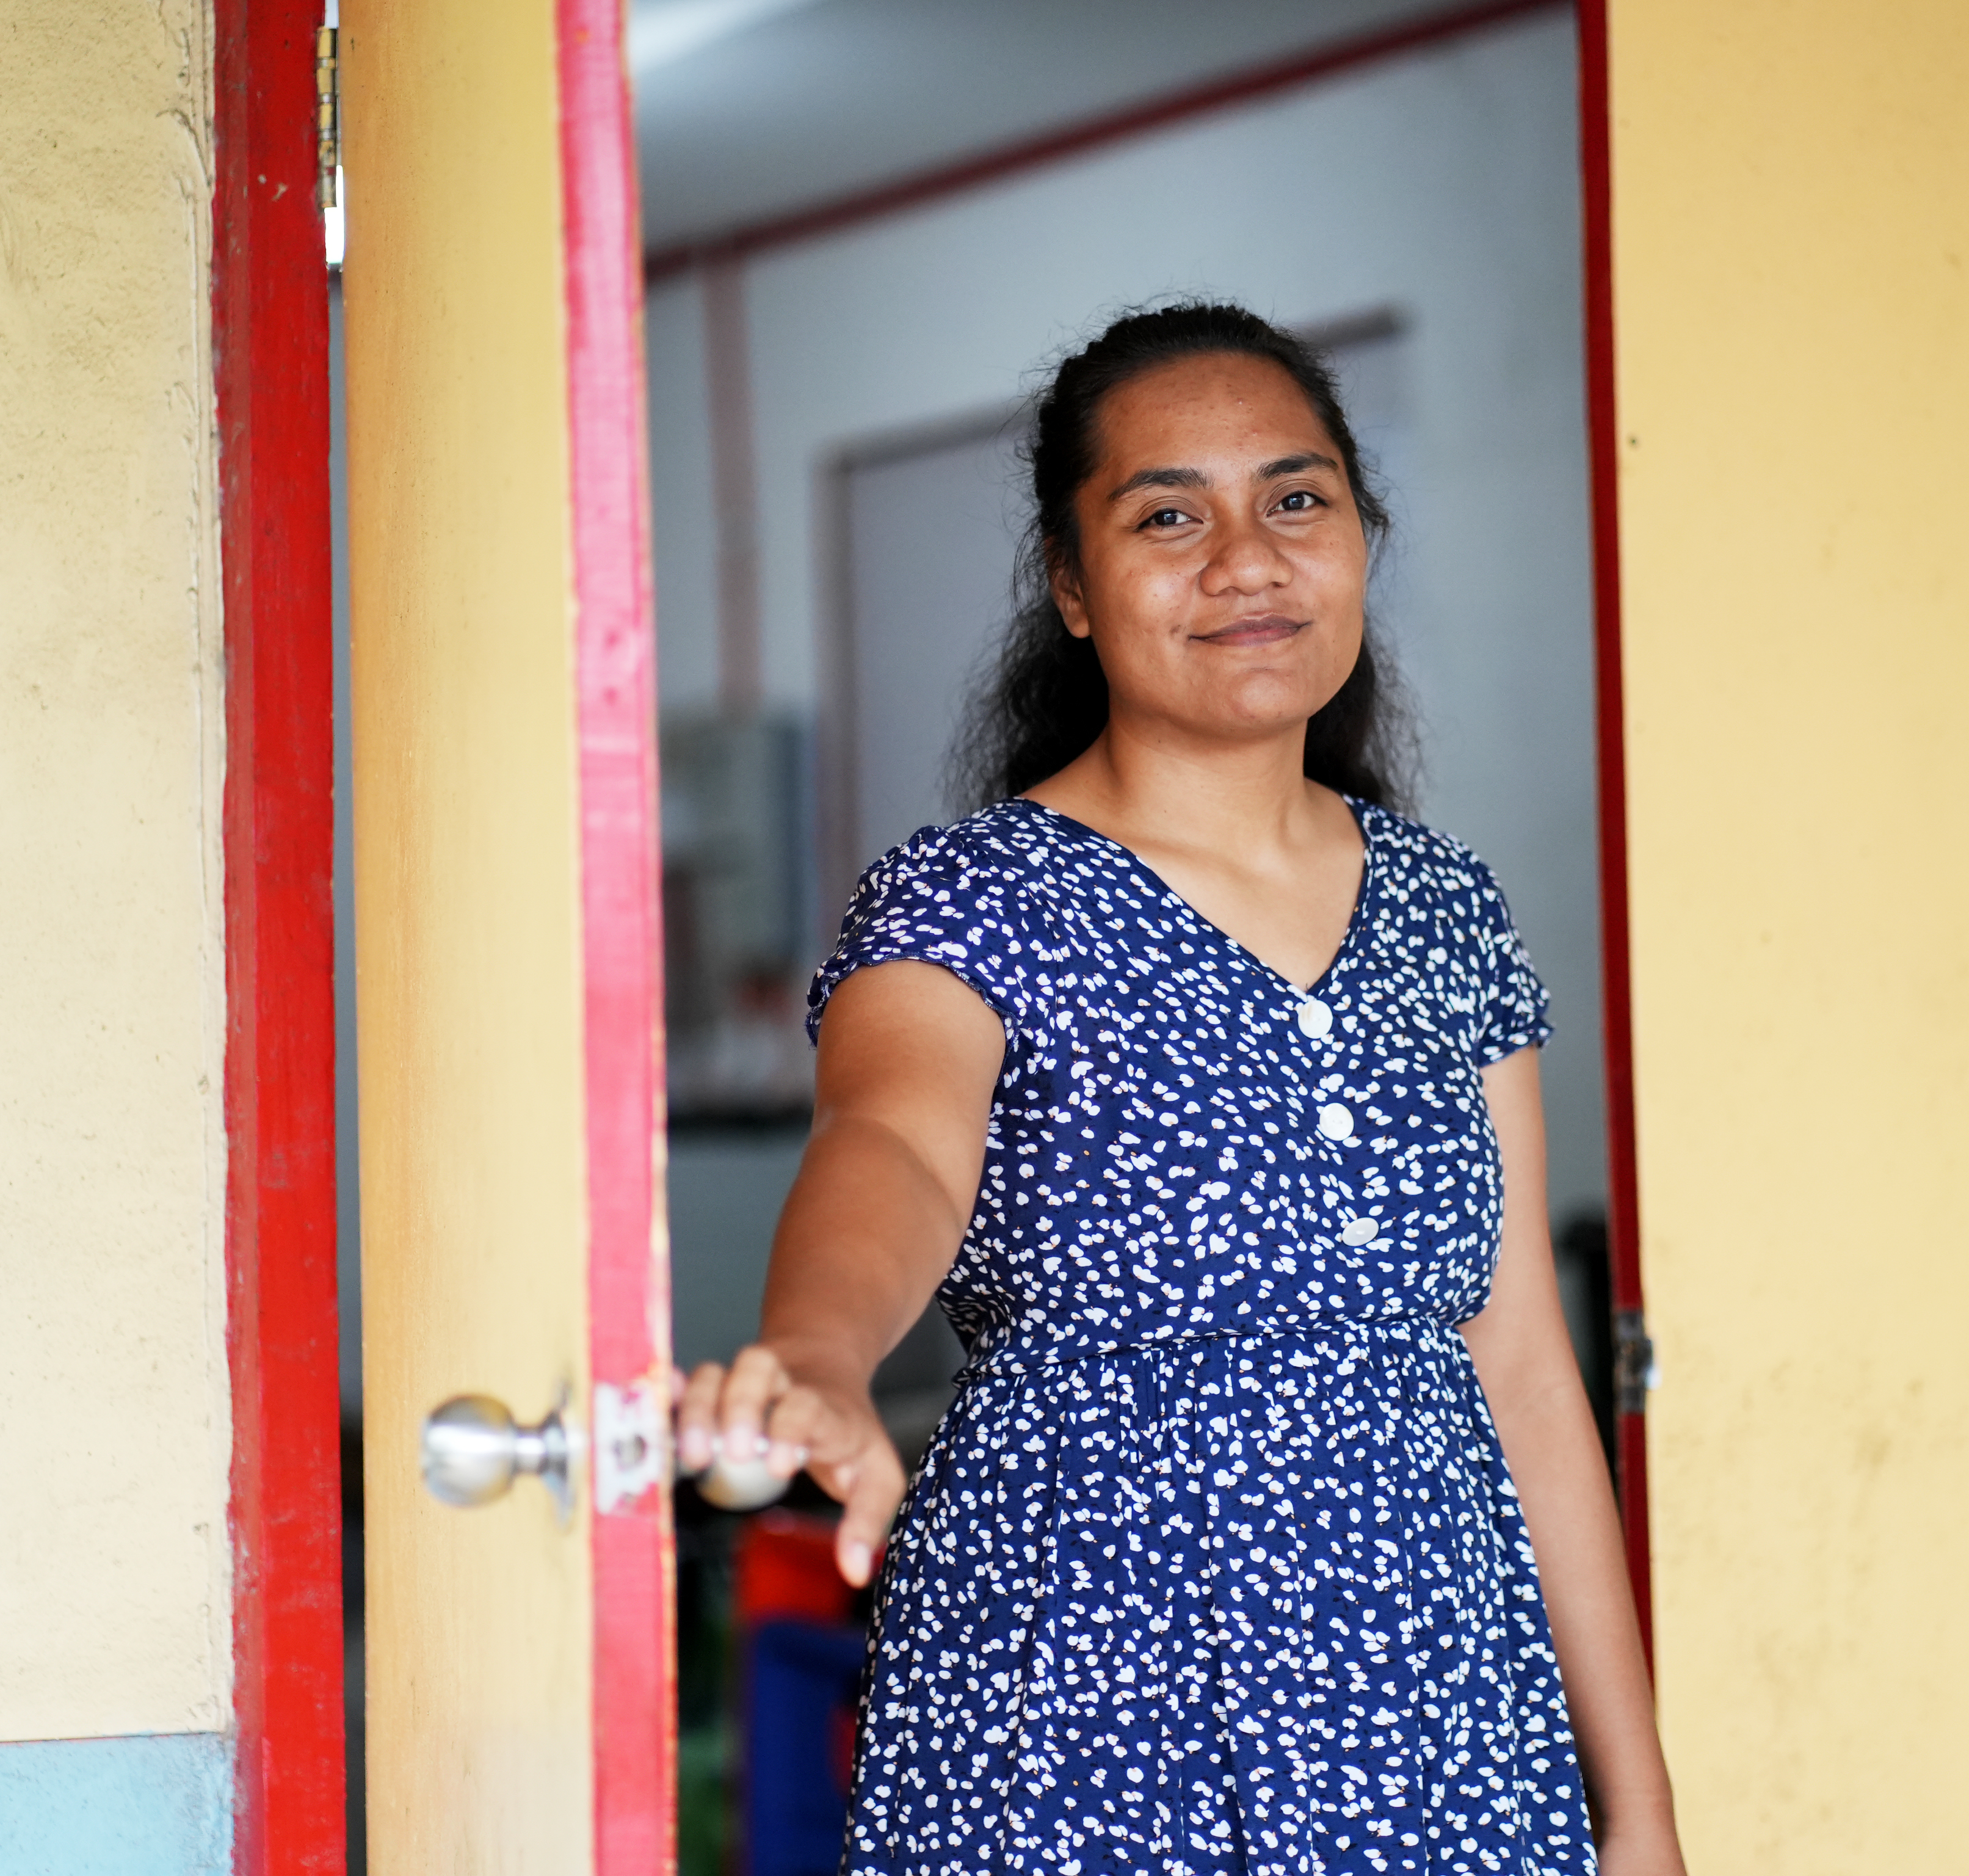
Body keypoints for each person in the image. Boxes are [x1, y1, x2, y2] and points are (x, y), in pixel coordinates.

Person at [677, 303, 1686, 1875]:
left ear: (1361, 538)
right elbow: (894, 1145)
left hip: (1442, 1711)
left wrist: (1636, 1808)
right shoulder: (968, 898)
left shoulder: (1446, 910)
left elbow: (1526, 1376)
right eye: (1167, 516)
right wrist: (815, 1350)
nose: (1245, 559)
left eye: (1296, 500)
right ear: (1072, 589)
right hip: (1081, 1688)